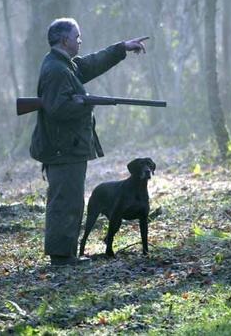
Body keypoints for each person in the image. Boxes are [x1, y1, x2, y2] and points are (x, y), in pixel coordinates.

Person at [29, 17, 149, 266]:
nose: (80, 41)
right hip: (63, 149)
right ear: (65, 40)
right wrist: (86, 103)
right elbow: (58, 109)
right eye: (77, 37)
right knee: (66, 201)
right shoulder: (57, 70)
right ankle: (62, 257)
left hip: (66, 147)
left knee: (70, 199)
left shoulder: (65, 65)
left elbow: (91, 64)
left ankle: (66, 254)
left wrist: (121, 48)